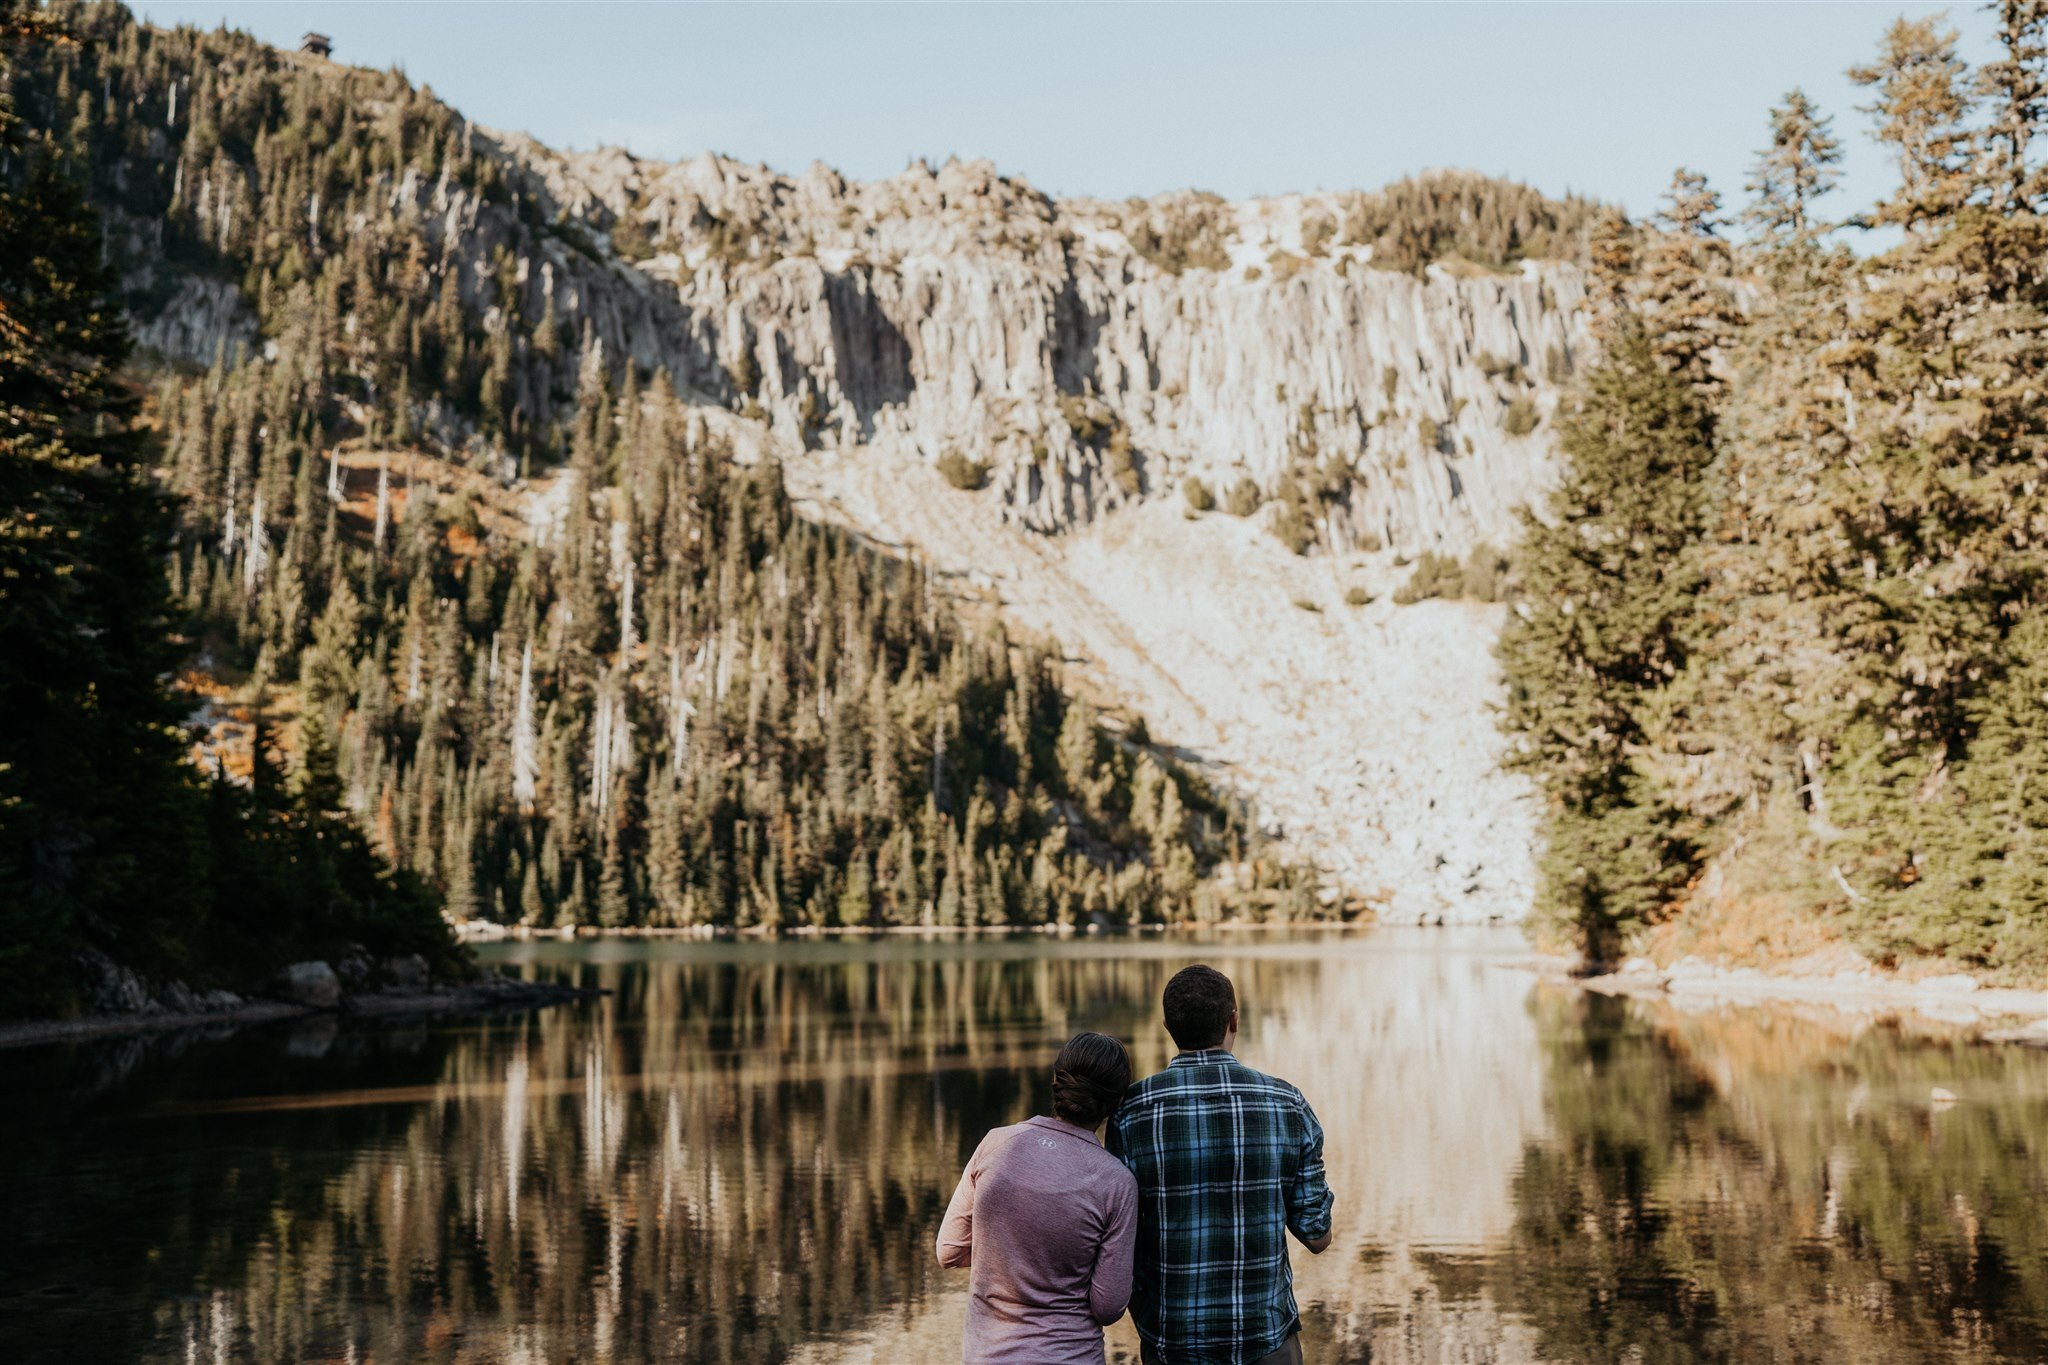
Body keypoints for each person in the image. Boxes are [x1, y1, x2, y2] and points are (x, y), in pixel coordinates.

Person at [1107, 965, 1334, 1365]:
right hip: (1265, 1339)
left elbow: (1119, 1237)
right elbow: (1316, 1235)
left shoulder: (1131, 1112)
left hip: (1172, 1340)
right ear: (1233, 1021)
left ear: (1167, 1026)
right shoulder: (1287, 1104)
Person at [936, 1031, 1140, 1364]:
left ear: (1056, 1081)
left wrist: (1006, 1249)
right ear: (1117, 1102)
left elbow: (948, 1251)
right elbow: (1109, 1306)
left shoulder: (995, 1144)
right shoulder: (1117, 1183)